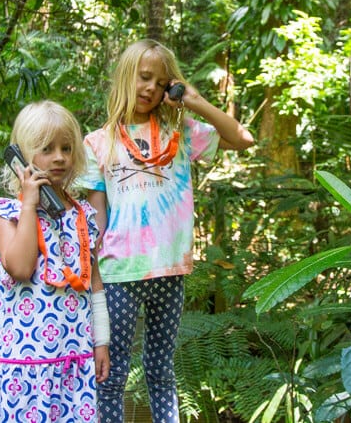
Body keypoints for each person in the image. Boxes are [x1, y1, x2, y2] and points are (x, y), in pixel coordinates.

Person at [80, 39, 255, 422]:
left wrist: (193, 100)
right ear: (127, 75)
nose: (151, 89)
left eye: (161, 83)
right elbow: (97, 216)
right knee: (112, 373)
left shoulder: (182, 132)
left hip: (169, 269)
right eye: (144, 78)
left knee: (161, 371)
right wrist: (91, 279)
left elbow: (243, 139)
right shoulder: (97, 142)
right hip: (119, 272)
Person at [0, 100, 111, 422]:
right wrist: (29, 204)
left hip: (75, 360)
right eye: (46, 148)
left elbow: (94, 282)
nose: (59, 157)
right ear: (21, 158)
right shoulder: (7, 213)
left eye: (67, 148)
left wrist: (101, 343)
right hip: (28, 365)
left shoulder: (82, 215)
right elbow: (21, 268)